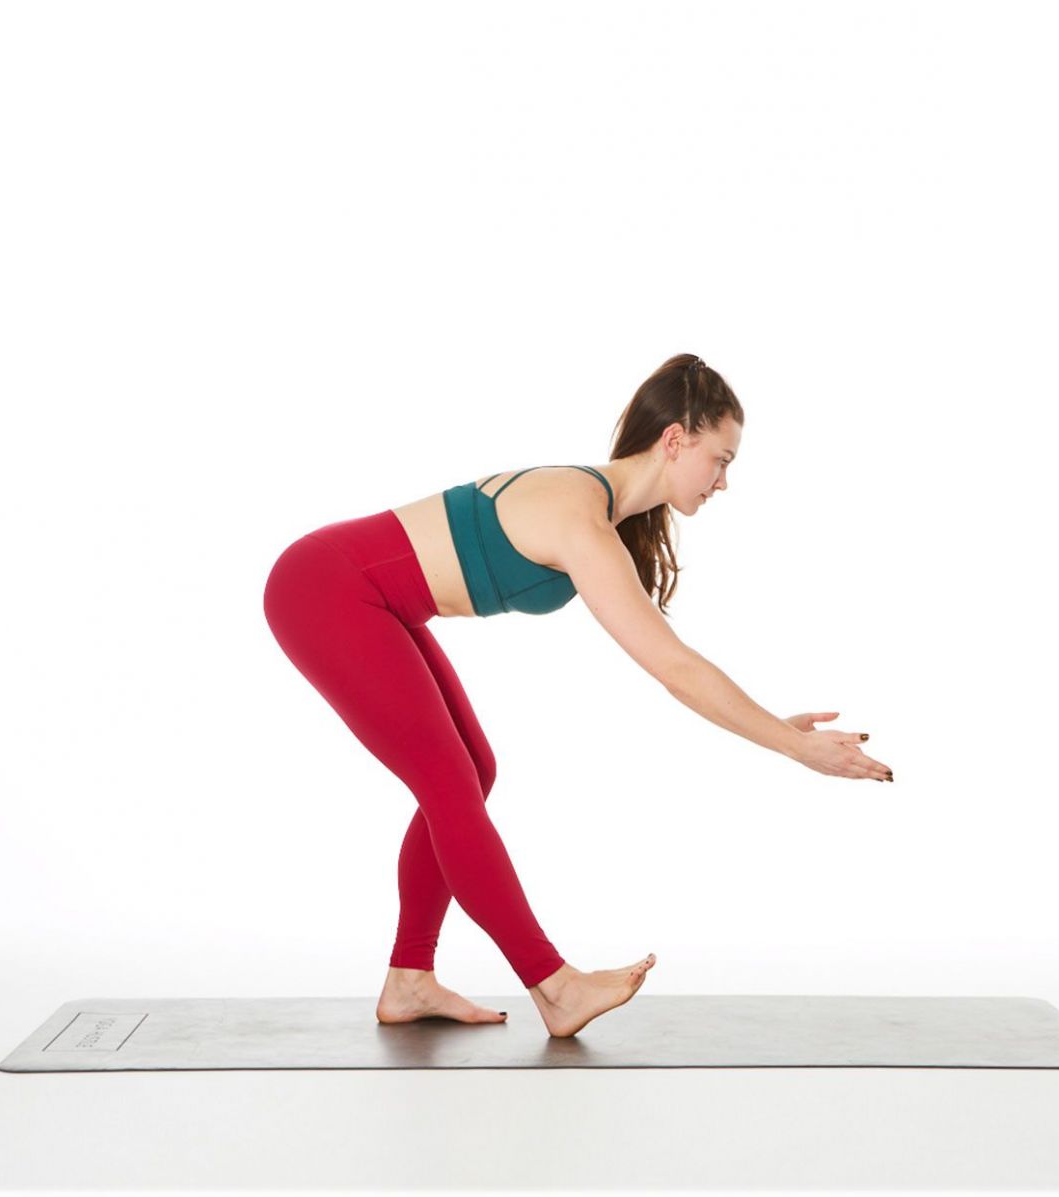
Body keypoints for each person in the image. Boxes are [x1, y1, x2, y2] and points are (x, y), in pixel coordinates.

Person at [262, 352, 894, 1039]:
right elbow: (675, 668)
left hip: (365, 598)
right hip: (325, 589)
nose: (723, 481)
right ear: (674, 440)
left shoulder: (597, 512)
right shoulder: (578, 513)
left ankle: (410, 980)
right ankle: (555, 986)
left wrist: (776, 726)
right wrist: (796, 748)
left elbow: (675, 661)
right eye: (720, 459)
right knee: (448, 783)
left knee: (472, 772)